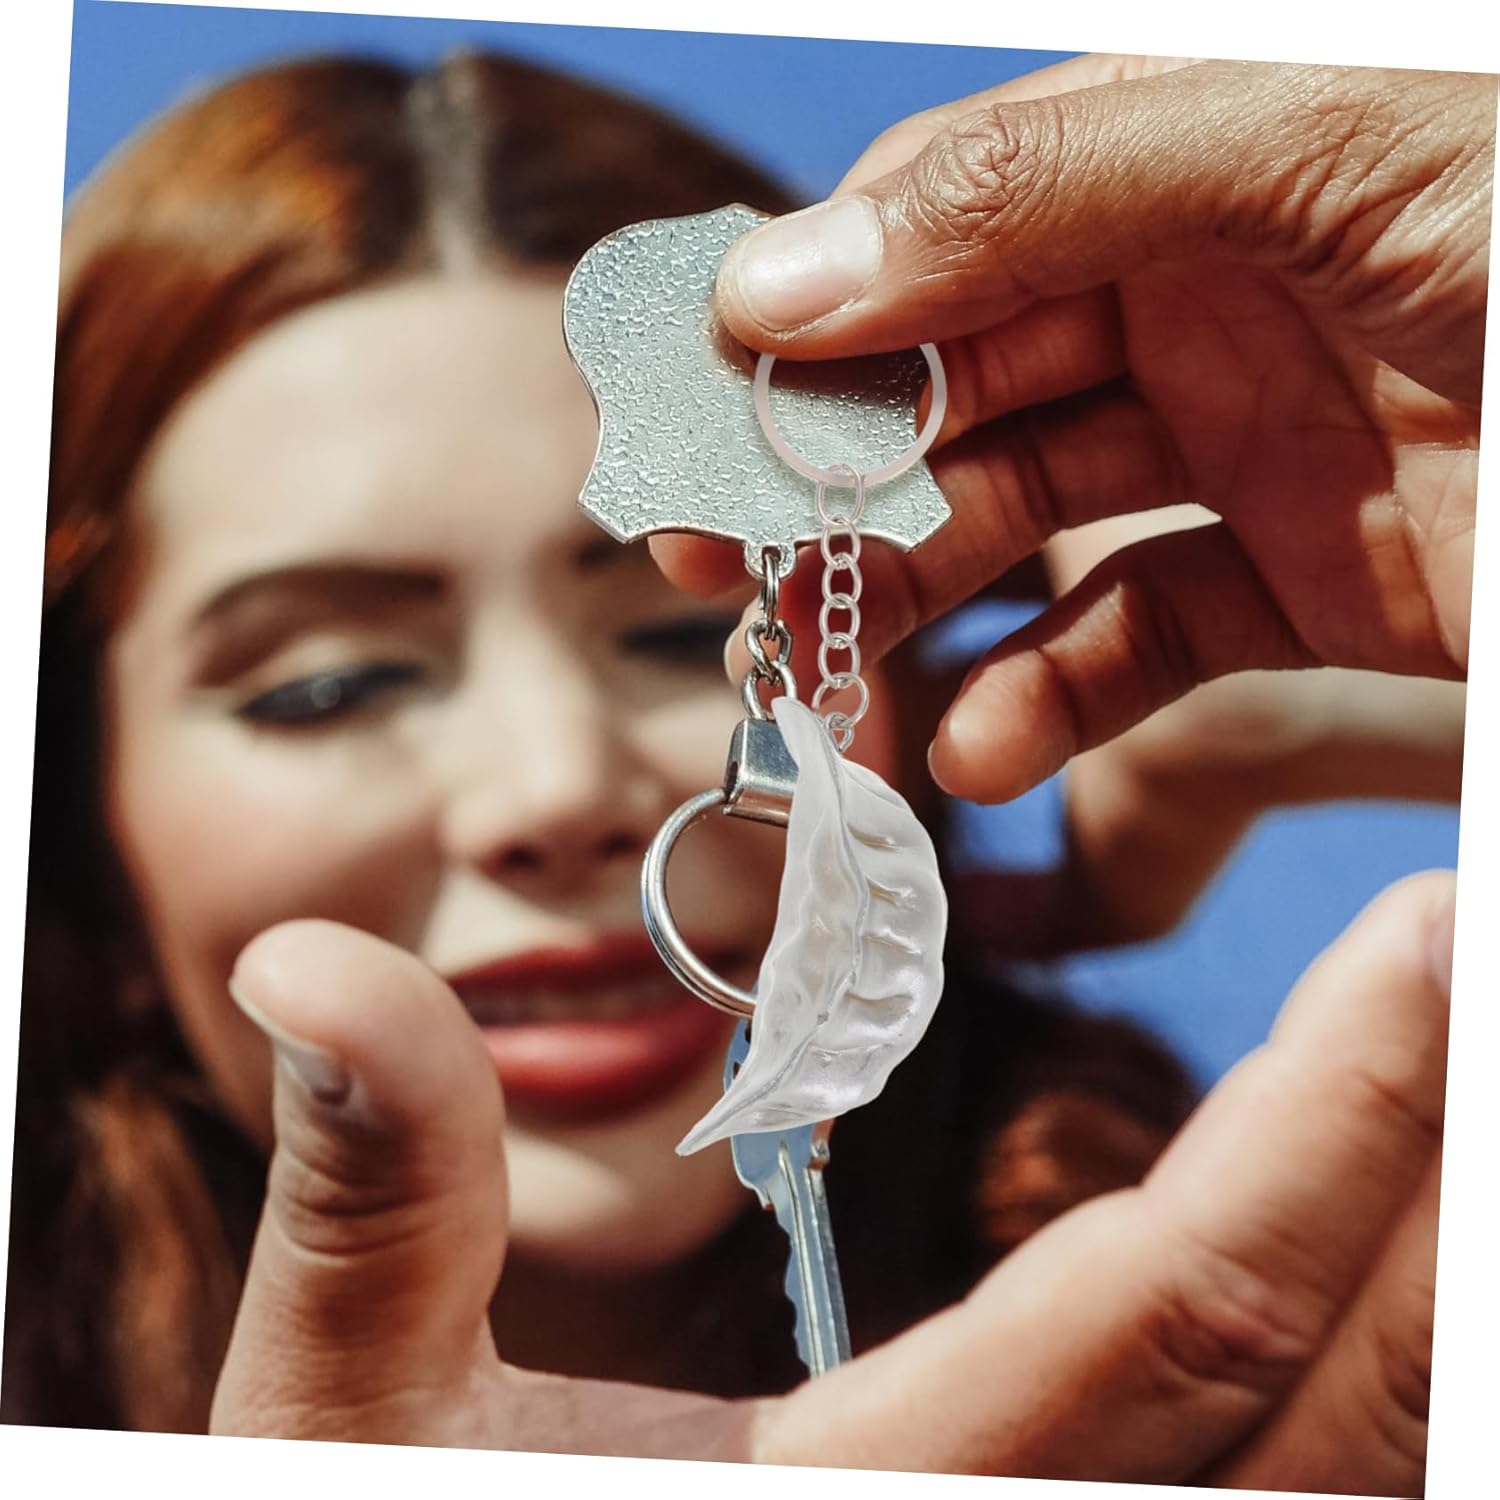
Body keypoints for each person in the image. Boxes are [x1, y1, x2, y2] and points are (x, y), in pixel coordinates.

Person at [1, 47, 1467, 1495]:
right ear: (75, 819)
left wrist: (1445, 574)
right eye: (331, 683)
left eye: (680, 631)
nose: (558, 786)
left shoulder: (1414, 1322)